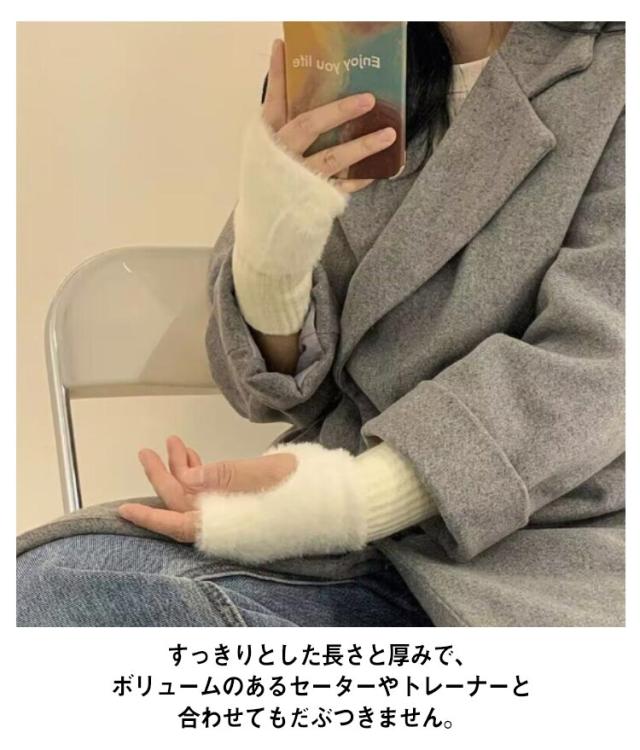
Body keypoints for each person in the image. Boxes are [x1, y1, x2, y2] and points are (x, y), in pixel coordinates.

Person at [17, 21, 625, 627]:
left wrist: (346, 500)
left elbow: (599, 363)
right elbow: (272, 387)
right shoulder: (352, 60)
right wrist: (272, 255)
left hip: (538, 556)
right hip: (331, 552)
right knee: (44, 590)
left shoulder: (615, 71)